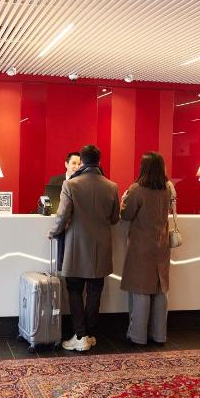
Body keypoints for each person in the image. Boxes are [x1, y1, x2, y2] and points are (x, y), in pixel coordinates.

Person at [48, 145, 120, 352]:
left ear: (82, 161)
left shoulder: (71, 184)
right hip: (101, 247)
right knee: (95, 291)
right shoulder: (112, 186)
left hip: (76, 247)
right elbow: (115, 218)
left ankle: (80, 335)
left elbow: (62, 216)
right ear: (99, 161)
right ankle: (89, 334)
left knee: (75, 290)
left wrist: (53, 232)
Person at [120, 152, 175, 346]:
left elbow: (126, 215)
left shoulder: (137, 190)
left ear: (144, 168)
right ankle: (159, 335)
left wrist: (123, 200)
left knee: (141, 290)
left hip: (141, 246)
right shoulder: (167, 189)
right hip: (162, 246)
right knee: (160, 290)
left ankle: (138, 336)